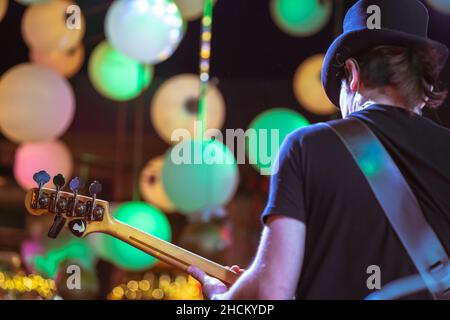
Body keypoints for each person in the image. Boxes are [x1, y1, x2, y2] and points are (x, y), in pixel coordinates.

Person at [188, 0, 450, 299]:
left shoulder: (306, 147)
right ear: (423, 81)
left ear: (351, 74)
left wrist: (223, 299)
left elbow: (272, 296)